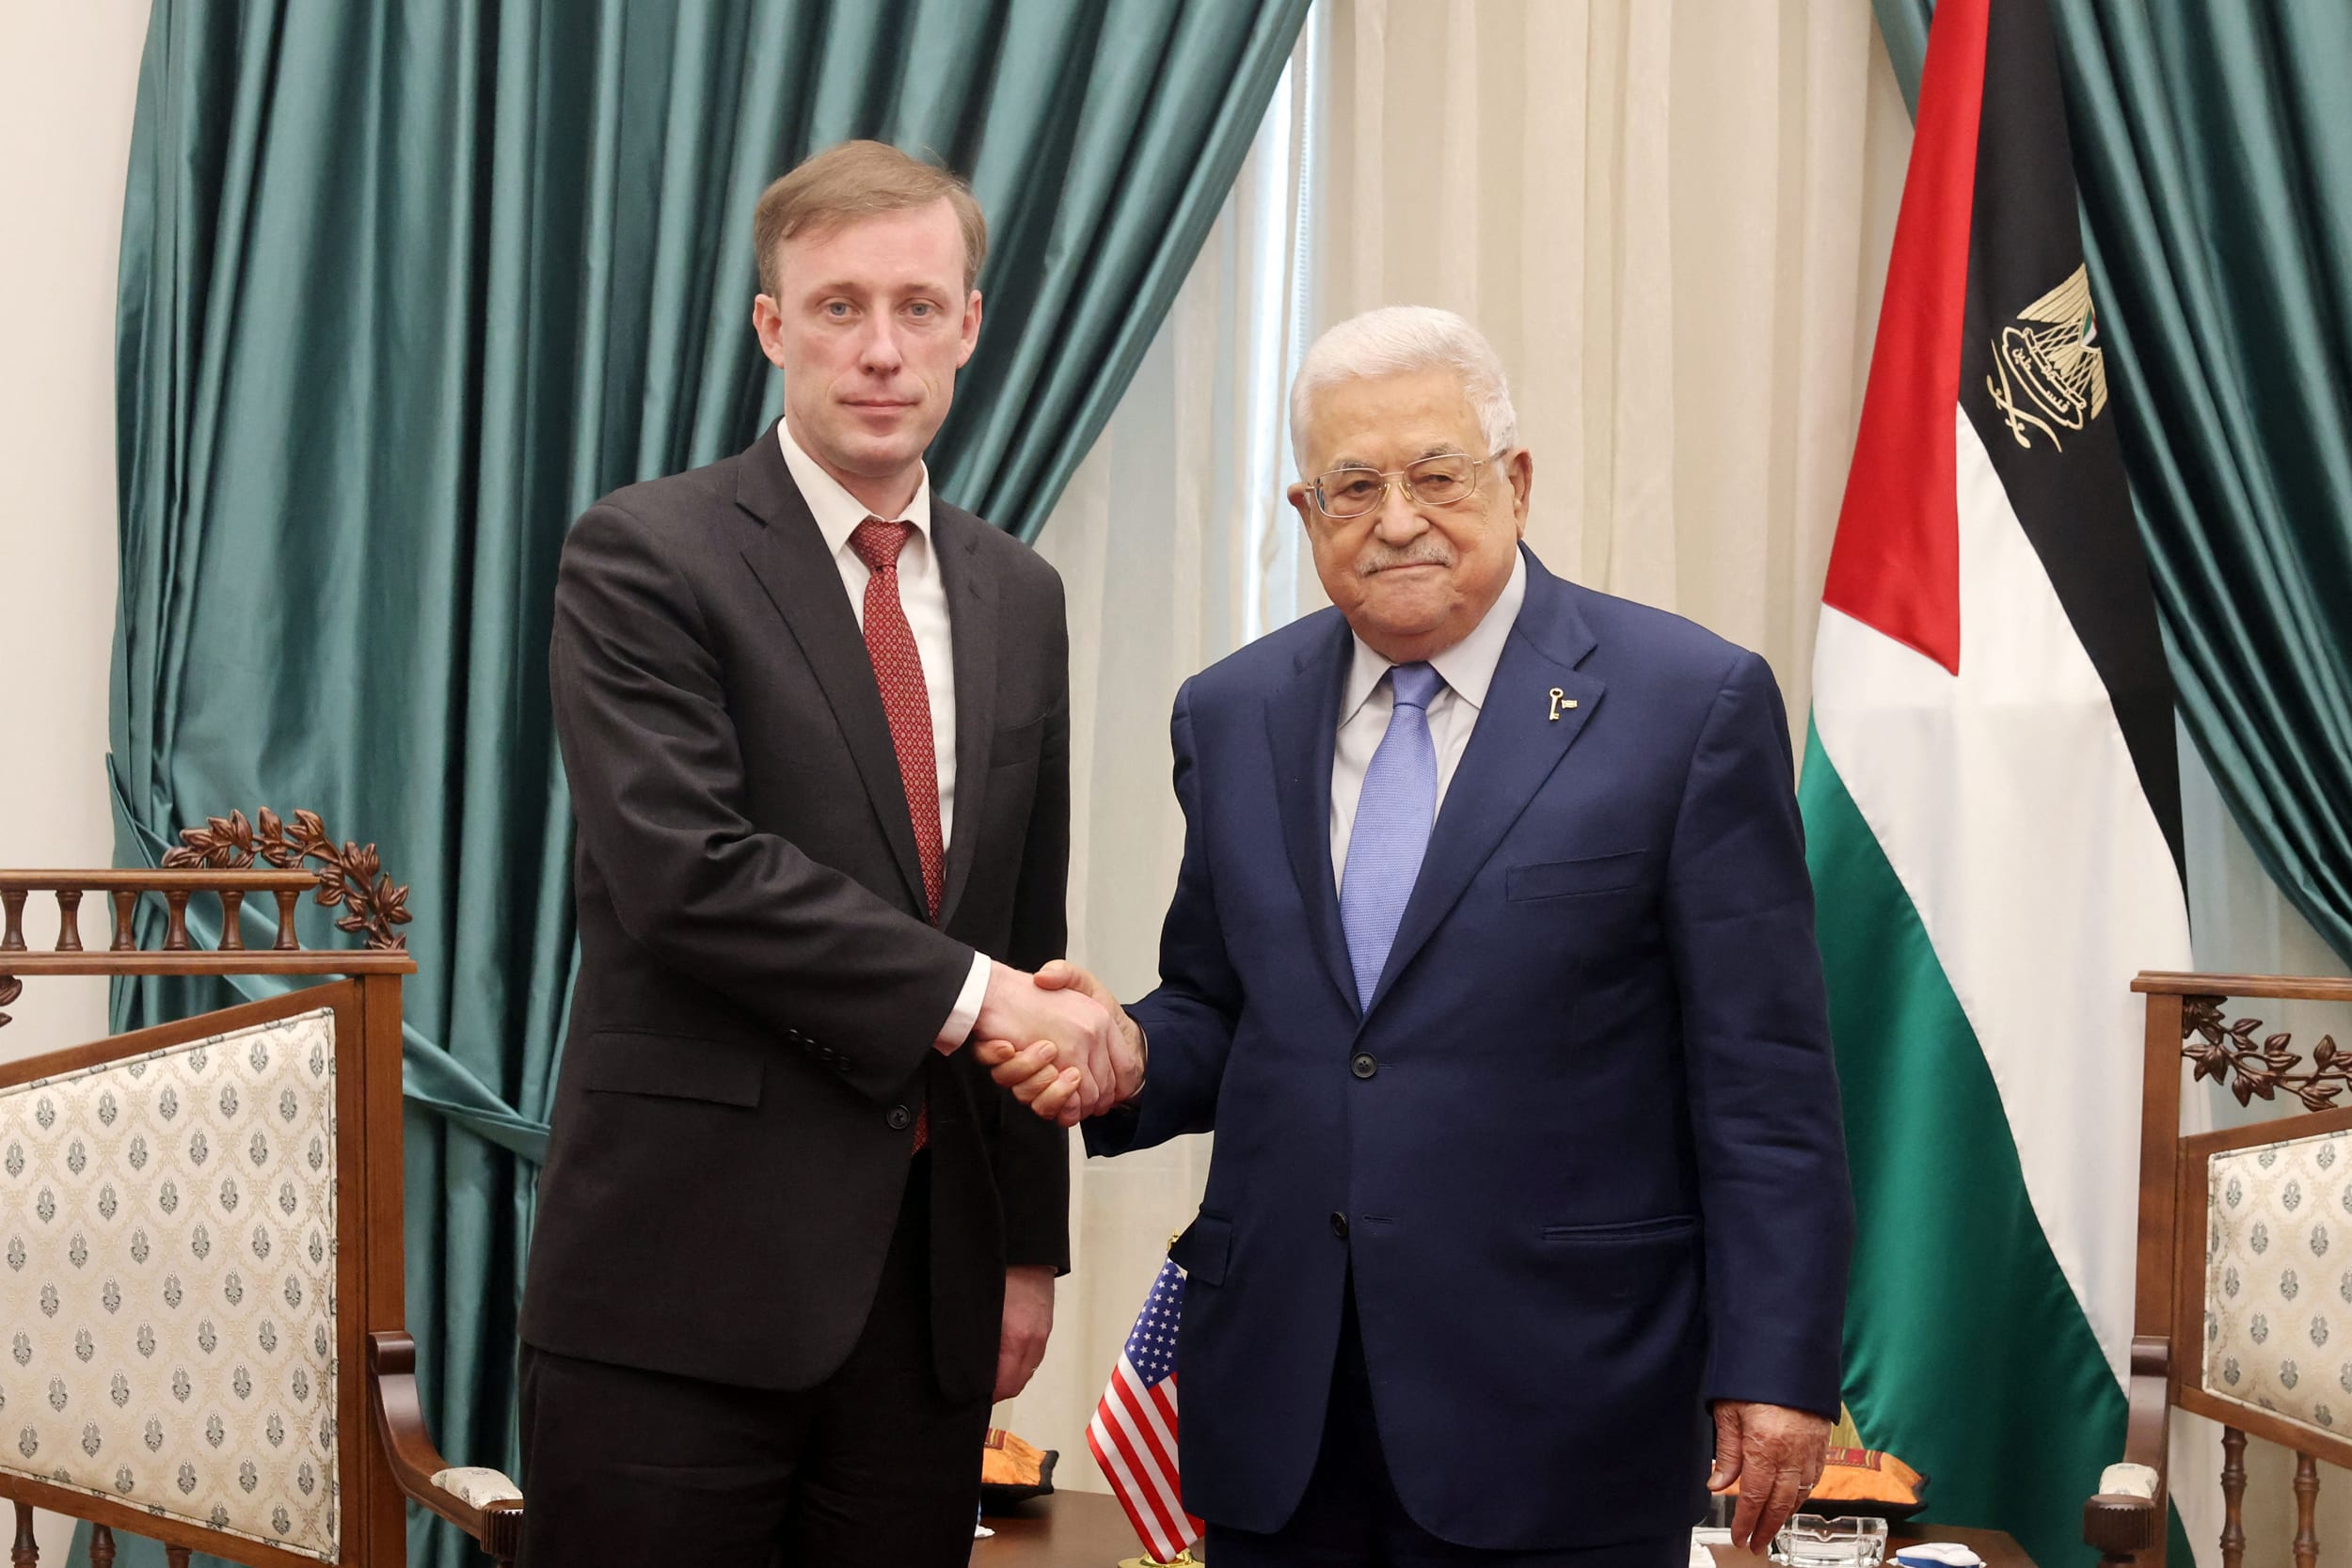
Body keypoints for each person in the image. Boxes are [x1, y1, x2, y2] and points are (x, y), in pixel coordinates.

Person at [984, 307, 1854, 1567]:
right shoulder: (1231, 714)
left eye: (1435, 474)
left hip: (1565, 1405)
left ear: (1515, 481)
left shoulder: (1687, 705)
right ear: (1305, 512)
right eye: (1353, 486)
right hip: (1285, 1410)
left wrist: (1776, 1366)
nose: (1397, 517)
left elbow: (1765, 1079)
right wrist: (1121, 1049)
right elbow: (1228, 1010)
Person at [516, 140, 1123, 1568]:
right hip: (676, 1292)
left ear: (970, 328)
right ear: (772, 325)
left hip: (925, 1297)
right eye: (839, 307)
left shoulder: (1017, 593)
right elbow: (689, 873)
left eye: (919, 308)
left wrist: (1027, 1248)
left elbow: (1024, 915)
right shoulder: (645, 555)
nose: (881, 350)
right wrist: (990, 1002)